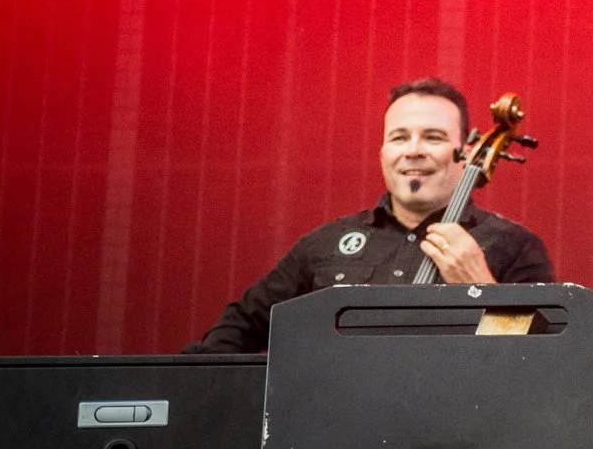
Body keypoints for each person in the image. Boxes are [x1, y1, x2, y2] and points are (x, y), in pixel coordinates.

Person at [189, 78, 555, 353]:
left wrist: (483, 288)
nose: (413, 151)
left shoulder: (513, 246)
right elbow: (235, 331)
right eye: (399, 138)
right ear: (382, 152)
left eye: (433, 137)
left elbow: (545, 363)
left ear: (466, 151)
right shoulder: (326, 245)